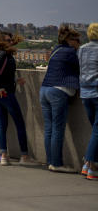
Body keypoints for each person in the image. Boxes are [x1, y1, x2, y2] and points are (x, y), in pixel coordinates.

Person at [0, 31, 36, 166]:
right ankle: (24, 156)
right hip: (6, 94)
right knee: (19, 123)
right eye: (8, 40)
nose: (10, 42)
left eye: (10, 40)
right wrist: (0, 87)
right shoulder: (3, 54)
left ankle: (4, 155)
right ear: (1, 41)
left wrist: (14, 80)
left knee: (2, 124)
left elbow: (2, 72)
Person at [40, 24, 81, 173]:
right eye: (77, 41)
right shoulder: (71, 52)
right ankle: (57, 164)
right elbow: (80, 68)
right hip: (58, 91)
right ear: (71, 40)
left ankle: (50, 162)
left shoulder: (55, 50)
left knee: (49, 128)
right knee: (57, 128)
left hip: (44, 90)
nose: (79, 44)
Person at [79, 23, 98, 180]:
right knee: (97, 131)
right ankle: (90, 165)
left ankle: (88, 166)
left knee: (96, 131)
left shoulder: (82, 48)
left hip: (85, 94)